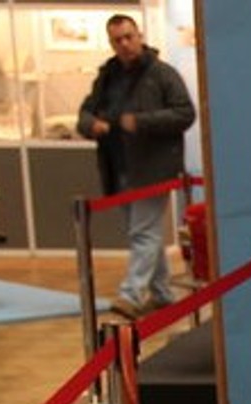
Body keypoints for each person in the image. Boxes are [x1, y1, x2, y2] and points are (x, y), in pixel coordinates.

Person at [77, 14, 196, 320]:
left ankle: (131, 294)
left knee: (143, 232)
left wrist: (141, 122)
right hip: (118, 168)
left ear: (139, 35)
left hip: (153, 168)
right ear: (111, 43)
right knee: (144, 233)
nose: (125, 44)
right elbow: (85, 113)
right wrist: (92, 125)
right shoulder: (107, 76)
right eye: (118, 40)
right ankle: (162, 293)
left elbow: (185, 113)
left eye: (129, 37)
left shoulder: (162, 73)